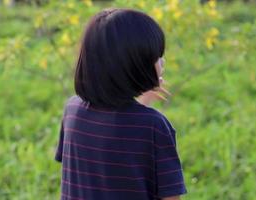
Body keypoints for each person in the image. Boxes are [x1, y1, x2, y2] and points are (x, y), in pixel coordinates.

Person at [54, 8, 187, 200]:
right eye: (157, 57)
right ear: (135, 66)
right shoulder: (154, 126)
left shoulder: (72, 110)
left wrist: (142, 102)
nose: (162, 62)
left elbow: (111, 149)